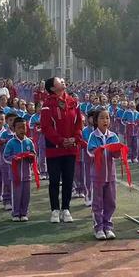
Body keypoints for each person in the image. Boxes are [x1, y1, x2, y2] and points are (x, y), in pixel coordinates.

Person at [41, 77, 83, 224]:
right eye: (59, 81)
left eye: (64, 80)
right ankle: (55, 210)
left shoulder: (73, 102)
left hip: (70, 148)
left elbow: (78, 123)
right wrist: (60, 140)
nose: (63, 82)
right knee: (54, 180)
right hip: (55, 148)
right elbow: (46, 127)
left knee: (68, 179)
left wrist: (75, 138)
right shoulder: (47, 104)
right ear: (52, 88)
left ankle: (66, 208)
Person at [87, 107, 120, 240]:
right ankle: (98, 227)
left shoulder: (113, 136)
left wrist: (117, 150)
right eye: (102, 118)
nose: (105, 120)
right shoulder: (93, 136)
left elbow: (117, 154)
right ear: (96, 121)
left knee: (111, 201)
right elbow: (90, 152)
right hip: (98, 176)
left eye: (107, 118)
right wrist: (99, 150)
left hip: (110, 175)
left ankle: (108, 226)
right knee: (97, 202)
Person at [3, 117, 36, 222]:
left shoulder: (29, 142)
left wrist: (31, 157)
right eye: (19, 128)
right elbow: (5, 156)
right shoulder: (11, 142)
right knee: (16, 195)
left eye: (24, 127)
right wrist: (14, 159)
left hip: (26, 174)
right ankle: (16, 213)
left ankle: (24, 213)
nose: (22, 130)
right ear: (14, 129)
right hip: (15, 175)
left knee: (26, 195)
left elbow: (34, 155)